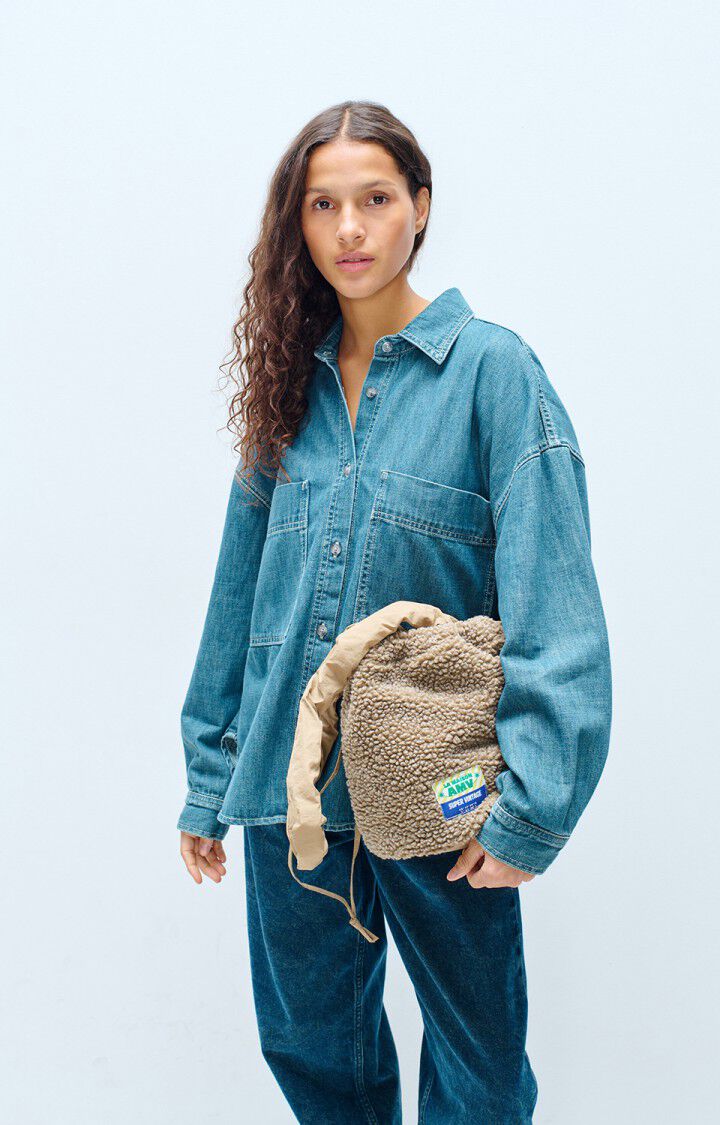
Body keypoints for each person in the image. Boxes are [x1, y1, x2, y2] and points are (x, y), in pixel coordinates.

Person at [176, 99, 612, 1124]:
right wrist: (209, 779)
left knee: (479, 1060)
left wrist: (533, 805)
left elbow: (557, 602)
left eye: (374, 199)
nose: (350, 229)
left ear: (420, 205)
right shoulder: (287, 391)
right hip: (288, 784)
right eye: (322, 205)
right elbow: (238, 598)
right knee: (310, 1049)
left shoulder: (493, 372)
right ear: (297, 224)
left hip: (443, 782)